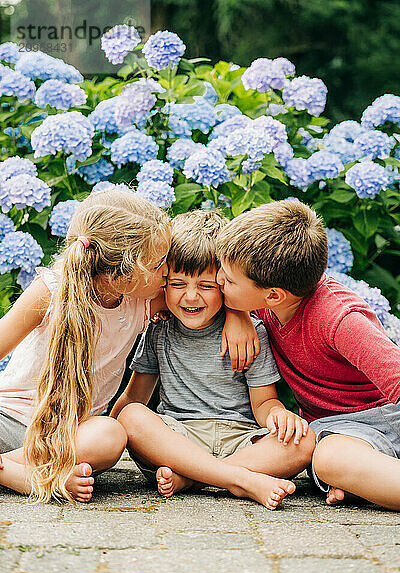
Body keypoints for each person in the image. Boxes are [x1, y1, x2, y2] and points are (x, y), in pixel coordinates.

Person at [111, 210, 315, 510]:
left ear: (224, 282)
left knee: (303, 442)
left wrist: (278, 416)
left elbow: (263, 404)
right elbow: (133, 397)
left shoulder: (250, 332)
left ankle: (195, 478)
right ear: (164, 282)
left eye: (206, 286)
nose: (190, 297)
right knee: (131, 416)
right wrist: (109, 432)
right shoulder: (159, 328)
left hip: (239, 439)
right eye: (177, 284)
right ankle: (238, 479)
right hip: (177, 440)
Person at [216, 198, 400, 510]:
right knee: (316, 452)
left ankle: (361, 479)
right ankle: (360, 484)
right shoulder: (268, 296)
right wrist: (238, 315)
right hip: (334, 432)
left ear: (273, 295)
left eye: (228, 280)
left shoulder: (339, 319)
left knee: (329, 459)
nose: (218, 280)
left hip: (377, 422)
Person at [0, 189, 171, 503]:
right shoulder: (51, 290)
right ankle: (28, 476)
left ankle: (18, 471)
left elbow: (209, 297)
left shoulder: (141, 299)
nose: (168, 272)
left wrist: (238, 317)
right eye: (160, 263)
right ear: (126, 272)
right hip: (9, 422)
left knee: (110, 435)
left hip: (71, 437)